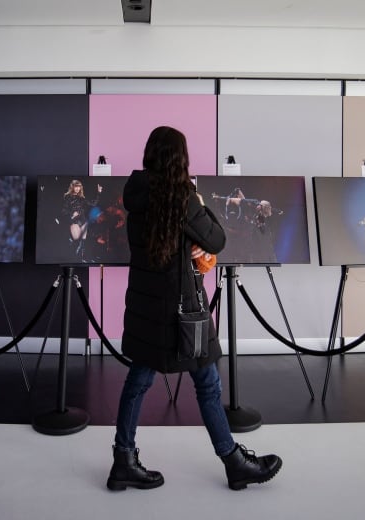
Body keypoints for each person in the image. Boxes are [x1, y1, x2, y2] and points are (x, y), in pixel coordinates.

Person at [108, 126, 282, 491]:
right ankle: (234, 462)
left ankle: (123, 459)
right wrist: (200, 205)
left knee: (138, 382)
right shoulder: (183, 199)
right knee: (207, 384)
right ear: (180, 159)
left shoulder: (137, 196)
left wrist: (189, 244)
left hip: (144, 308)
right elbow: (217, 238)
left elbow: (165, 246)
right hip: (183, 311)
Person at [61, 179, 102, 261]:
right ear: (72, 187)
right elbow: (63, 211)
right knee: (76, 240)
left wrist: (98, 192)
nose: (77, 188)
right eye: (76, 186)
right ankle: (73, 258)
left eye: (79, 187)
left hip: (83, 221)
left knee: (83, 242)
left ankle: (82, 259)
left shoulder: (81, 198)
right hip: (74, 221)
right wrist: (72, 214)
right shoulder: (67, 197)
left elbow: (93, 203)